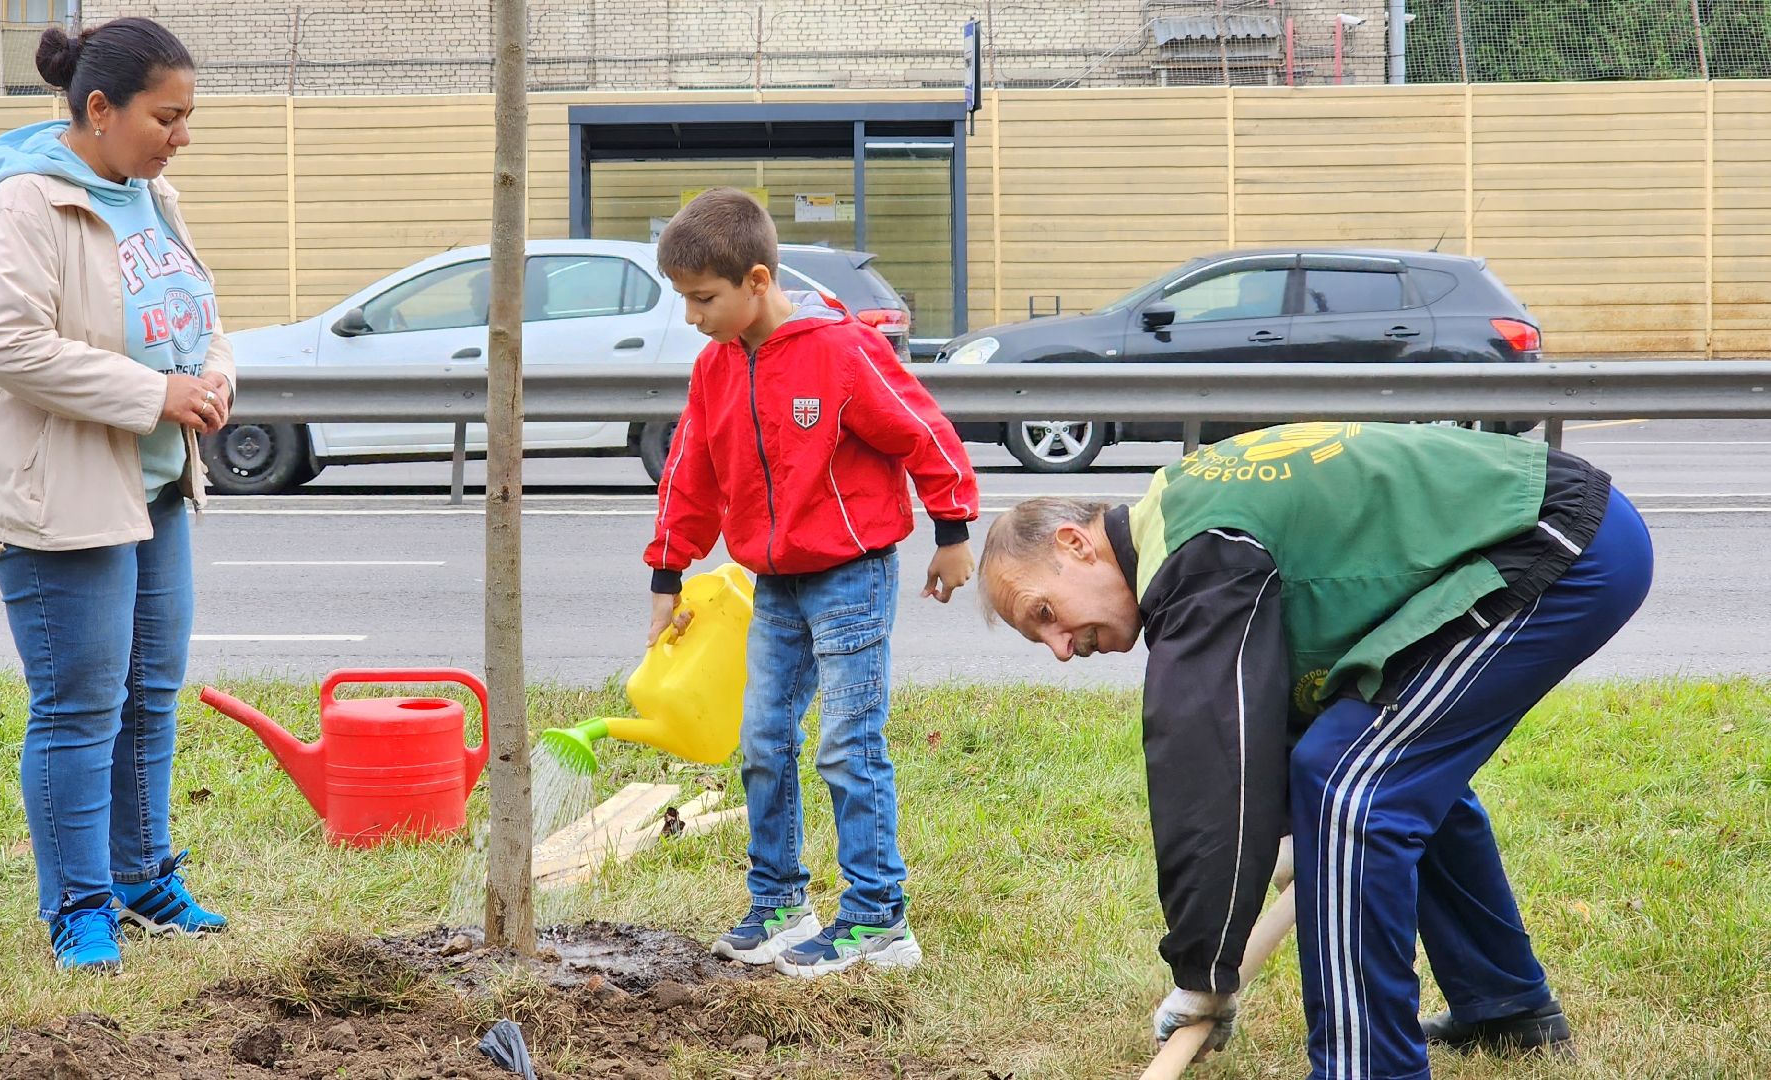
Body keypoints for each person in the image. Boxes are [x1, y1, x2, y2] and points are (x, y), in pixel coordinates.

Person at [975, 422, 1652, 1078]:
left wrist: (1205, 970)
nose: (1063, 648)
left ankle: (1367, 1067)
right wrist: (1292, 830)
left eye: (1045, 614)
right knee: (1379, 762)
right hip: (1563, 529)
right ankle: (1504, 1004)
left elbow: (1206, 767)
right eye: (1044, 640)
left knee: (1350, 784)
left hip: (1561, 542)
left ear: (1074, 544)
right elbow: (1274, 699)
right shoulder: (1180, 518)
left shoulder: (1199, 553)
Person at [643, 188, 978, 978]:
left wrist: (953, 527)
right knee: (762, 742)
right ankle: (781, 904)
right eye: (685, 301)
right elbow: (688, 475)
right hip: (773, 585)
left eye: (703, 300)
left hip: (851, 578)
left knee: (848, 746)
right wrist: (668, 572)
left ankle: (878, 919)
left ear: (757, 280)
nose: (693, 317)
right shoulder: (714, 368)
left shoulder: (841, 352)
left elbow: (922, 429)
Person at [0, 18, 236, 974]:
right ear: (98, 109)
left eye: (187, 117)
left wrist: (211, 371)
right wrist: (155, 393)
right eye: (168, 117)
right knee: (81, 707)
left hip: (156, 486)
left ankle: (141, 875)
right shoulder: (25, 203)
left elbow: (196, 310)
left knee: (149, 696)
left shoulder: (153, 196)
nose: (181, 136)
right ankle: (80, 907)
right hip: (61, 501)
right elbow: (8, 347)